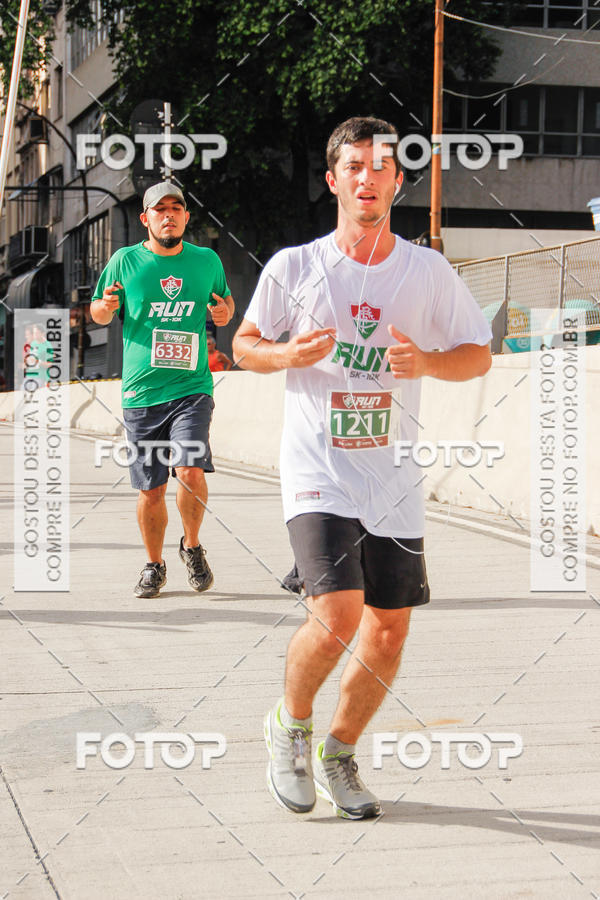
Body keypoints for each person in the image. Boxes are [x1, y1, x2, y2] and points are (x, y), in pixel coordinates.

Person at [232, 116, 492, 820]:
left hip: (394, 477)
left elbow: (478, 353)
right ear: (333, 180)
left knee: (388, 627)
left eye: (382, 167)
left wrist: (429, 363)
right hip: (318, 467)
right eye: (354, 165)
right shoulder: (295, 267)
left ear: (397, 181)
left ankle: (339, 752)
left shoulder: (427, 271)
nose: (368, 177)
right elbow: (246, 345)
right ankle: (288, 724)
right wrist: (288, 355)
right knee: (339, 614)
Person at [90, 181, 234, 598]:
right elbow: (98, 311)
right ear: (146, 218)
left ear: (187, 217)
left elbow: (224, 308)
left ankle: (192, 545)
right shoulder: (124, 261)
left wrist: (224, 312)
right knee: (151, 489)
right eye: (159, 210)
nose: (168, 215)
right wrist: (106, 307)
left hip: (192, 388)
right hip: (141, 395)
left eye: (176, 208)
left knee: (189, 471)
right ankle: (154, 563)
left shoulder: (206, 260)